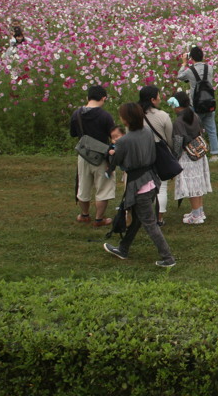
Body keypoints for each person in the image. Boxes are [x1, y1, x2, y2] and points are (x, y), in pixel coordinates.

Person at [103, 103, 176, 268]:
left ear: (126, 120)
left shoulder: (124, 141)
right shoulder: (148, 132)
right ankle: (123, 249)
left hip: (138, 185)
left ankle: (168, 258)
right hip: (151, 179)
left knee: (149, 223)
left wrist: (111, 156)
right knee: (137, 219)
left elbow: (116, 161)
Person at [69, 85, 116, 227]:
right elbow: (113, 136)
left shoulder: (76, 114)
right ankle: (99, 218)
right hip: (101, 157)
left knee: (83, 186)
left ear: (87, 98)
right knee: (103, 187)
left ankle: (84, 215)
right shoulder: (105, 116)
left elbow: (73, 134)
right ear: (103, 98)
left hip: (83, 156)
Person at [170, 90, 212, 224]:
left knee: (192, 185)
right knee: (198, 183)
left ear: (176, 105)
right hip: (199, 154)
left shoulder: (178, 122)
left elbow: (178, 142)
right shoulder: (194, 115)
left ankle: (196, 216)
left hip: (187, 156)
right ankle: (199, 211)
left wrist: (174, 159)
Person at [139, 85, 174, 227]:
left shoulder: (135, 114)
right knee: (161, 187)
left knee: (141, 187)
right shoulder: (163, 116)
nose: (160, 99)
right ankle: (159, 219)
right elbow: (169, 139)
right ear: (153, 99)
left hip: (141, 154)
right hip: (160, 154)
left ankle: (141, 217)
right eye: (158, 96)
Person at [178, 46, 218, 161]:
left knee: (195, 129)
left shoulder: (190, 71)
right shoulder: (210, 68)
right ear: (203, 56)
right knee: (212, 129)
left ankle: (198, 152)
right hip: (210, 103)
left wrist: (184, 63)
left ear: (191, 57)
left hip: (195, 105)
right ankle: (215, 153)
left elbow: (180, 77)